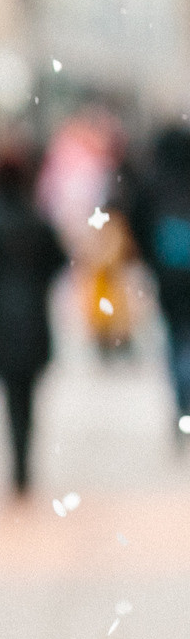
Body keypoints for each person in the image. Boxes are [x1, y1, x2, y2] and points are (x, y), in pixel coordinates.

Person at [0, 150, 66, 496]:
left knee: (11, 396)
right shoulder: (38, 222)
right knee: (27, 395)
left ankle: (17, 461)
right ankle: (23, 462)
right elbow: (58, 261)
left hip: (2, 318)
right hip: (33, 317)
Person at [127, 126, 190, 442]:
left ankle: (182, 398)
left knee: (175, 336)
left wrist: (150, 261)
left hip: (167, 274)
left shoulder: (154, 182)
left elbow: (137, 222)